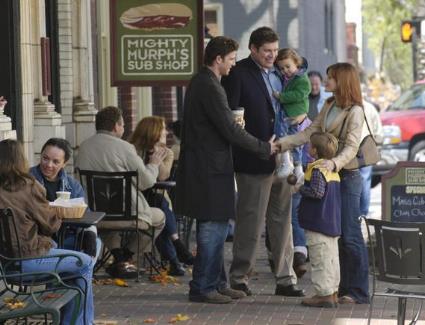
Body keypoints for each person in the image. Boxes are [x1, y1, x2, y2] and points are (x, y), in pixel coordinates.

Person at [175, 36, 277, 304]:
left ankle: (217, 283)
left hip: (212, 166)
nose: (233, 65)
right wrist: (264, 147)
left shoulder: (206, 83)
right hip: (208, 168)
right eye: (231, 59)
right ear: (218, 59)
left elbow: (221, 125)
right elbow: (228, 129)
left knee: (218, 226)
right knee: (211, 227)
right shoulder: (208, 85)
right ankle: (202, 287)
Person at [222, 26, 304, 297]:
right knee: (251, 221)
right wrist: (256, 146)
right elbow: (231, 119)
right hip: (254, 158)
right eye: (266, 51)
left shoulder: (282, 72)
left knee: (282, 220)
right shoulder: (238, 73)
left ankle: (285, 278)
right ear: (253, 49)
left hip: (284, 156)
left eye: (275, 50)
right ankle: (239, 277)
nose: (272, 55)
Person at [278, 62, 369, 304]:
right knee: (333, 235)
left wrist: (334, 163)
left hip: (346, 176)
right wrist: (282, 143)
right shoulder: (328, 105)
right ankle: (336, 288)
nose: (326, 81)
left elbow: (351, 146)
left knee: (350, 235)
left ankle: (358, 291)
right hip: (329, 176)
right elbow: (310, 133)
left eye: (331, 78)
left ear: (343, 81)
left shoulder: (355, 111)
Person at [0, 139, 94, 325]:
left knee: (72, 264)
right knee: (84, 263)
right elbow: (52, 226)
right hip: (28, 261)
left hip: (5, 265)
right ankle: (80, 323)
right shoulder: (28, 186)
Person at [76, 106, 166, 276]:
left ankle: (118, 258)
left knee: (110, 224)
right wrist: (153, 164)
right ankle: (126, 257)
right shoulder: (125, 148)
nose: (123, 129)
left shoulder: (84, 147)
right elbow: (146, 182)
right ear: (116, 126)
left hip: (97, 215)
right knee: (160, 216)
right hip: (130, 215)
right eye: (123, 125)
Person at [129, 116, 194, 276]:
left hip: (158, 198)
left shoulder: (168, 152)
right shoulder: (132, 150)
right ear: (153, 131)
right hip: (135, 198)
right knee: (160, 208)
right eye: (163, 128)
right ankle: (176, 249)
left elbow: (163, 177)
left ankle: (175, 260)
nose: (166, 131)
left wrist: (157, 160)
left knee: (159, 205)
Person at [30, 138, 101, 259]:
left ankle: (75, 274)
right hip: (38, 241)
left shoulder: (73, 185)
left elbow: (85, 216)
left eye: (56, 161)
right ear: (40, 155)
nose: (49, 165)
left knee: (96, 243)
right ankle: (74, 275)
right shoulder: (27, 180)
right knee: (81, 258)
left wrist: (89, 235)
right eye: (45, 158)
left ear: (64, 163)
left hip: (66, 239)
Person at [298, 132, 341, 308]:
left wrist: (300, 188)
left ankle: (323, 294)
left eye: (310, 145)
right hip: (332, 222)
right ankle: (333, 291)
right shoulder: (334, 171)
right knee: (331, 258)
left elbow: (317, 192)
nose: (308, 148)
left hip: (318, 222)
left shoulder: (317, 170)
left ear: (314, 150)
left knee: (319, 259)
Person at [273, 48, 311, 181]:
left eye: (288, 66)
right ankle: (298, 168)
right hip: (293, 113)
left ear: (297, 63)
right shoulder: (287, 77)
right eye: (282, 68)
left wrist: (281, 97)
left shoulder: (302, 78)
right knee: (295, 141)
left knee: (284, 135)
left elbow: (300, 94)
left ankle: (287, 162)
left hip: (293, 113)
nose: (285, 70)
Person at [359, 100, 383, 217]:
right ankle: (363, 213)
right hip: (368, 147)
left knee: (355, 180)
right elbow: (379, 132)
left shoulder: (346, 106)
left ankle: (358, 212)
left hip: (352, 147)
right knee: (364, 180)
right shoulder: (370, 107)